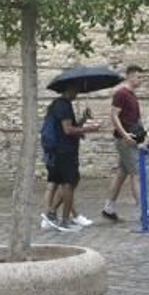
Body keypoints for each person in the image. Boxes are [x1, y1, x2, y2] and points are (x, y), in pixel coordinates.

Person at [42, 84, 102, 231]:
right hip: (64, 151)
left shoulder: (61, 104)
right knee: (68, 184)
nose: (77, 92)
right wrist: (90, 128)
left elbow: (70, 127)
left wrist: (83, 119)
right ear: (68, 89)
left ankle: (52, 213)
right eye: (75, 89)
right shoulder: (63, 105)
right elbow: (68, 130)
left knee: (72, 181)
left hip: (62, 151)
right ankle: (64, 220)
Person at [102, 65, 144, 222]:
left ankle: (108, 208)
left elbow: (136, 119)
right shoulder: (121, 94)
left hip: (132, 139)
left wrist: (144, 136)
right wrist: (124, 134)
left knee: (121, 174)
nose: (141, 80)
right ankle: (143, 210)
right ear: (130, 77)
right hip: (125, 141)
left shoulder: (132, 95)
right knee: (136, 174)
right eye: (139, 77)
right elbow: (114, 116)